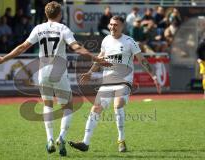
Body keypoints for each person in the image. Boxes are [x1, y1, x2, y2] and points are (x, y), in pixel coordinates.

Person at [0, 1, 112, 157]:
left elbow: (22, 47)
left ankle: (49, 139)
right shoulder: (63, 29)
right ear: (59, 14)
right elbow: (77, 48)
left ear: (46, 14)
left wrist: (4, 59)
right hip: (59, 70)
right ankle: (61, 137)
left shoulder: (38, 28)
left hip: (43, 71)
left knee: (47, 104)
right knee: (67, 105)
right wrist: (96, 58)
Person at [68, 16, 161, 152]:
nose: (112, 27)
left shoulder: (130, 41)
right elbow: (100, 58)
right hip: (108, 81)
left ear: (122, 26)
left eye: (116, 25)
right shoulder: (106, 40)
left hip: (124, 80)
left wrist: (153, 76)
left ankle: (121, 140)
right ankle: (85, 142)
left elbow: (142, 60)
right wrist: (90, 73)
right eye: (111, 24)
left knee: (117, 105)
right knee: (96, 108)